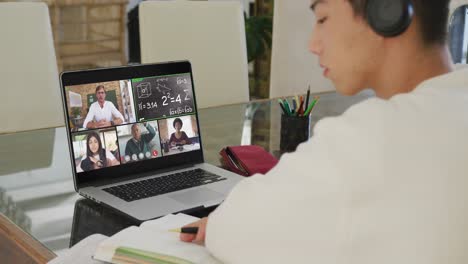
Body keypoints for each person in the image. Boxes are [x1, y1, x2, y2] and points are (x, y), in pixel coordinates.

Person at [179, 1, 468, 263]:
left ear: (386, 11)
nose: (313, 44)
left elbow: (237, 225)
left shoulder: (373, 136)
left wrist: (218, 225)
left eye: (323, 19)